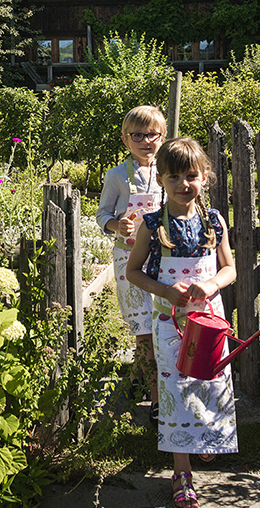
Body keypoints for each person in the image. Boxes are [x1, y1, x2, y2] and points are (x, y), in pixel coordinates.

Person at [126, 136, 237, 508]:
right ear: (160, 180)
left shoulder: (214, 221)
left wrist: (209, 285)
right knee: (175, 390)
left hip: (209, 321)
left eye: (191, 175)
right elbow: (133, 272)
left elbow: (230, 270)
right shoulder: (153, 224)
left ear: (205, 177)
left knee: (211, 380)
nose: (183, 184)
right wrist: (167, 291)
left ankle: (205, 438)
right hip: (169, 323)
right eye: (173, 177)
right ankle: (182, 470)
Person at [96, 105, 165, 421]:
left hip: (164, 258)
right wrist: (116, 225)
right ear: (126, 139)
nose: (146, 140)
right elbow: (102, 214)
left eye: (153, 134)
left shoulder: (168, 171)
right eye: (138, 135)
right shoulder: (117, 176)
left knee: (161, 325)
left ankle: (136, 381)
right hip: (129, 260)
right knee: (145, 329)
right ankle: (156, 402)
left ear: (162, 137)